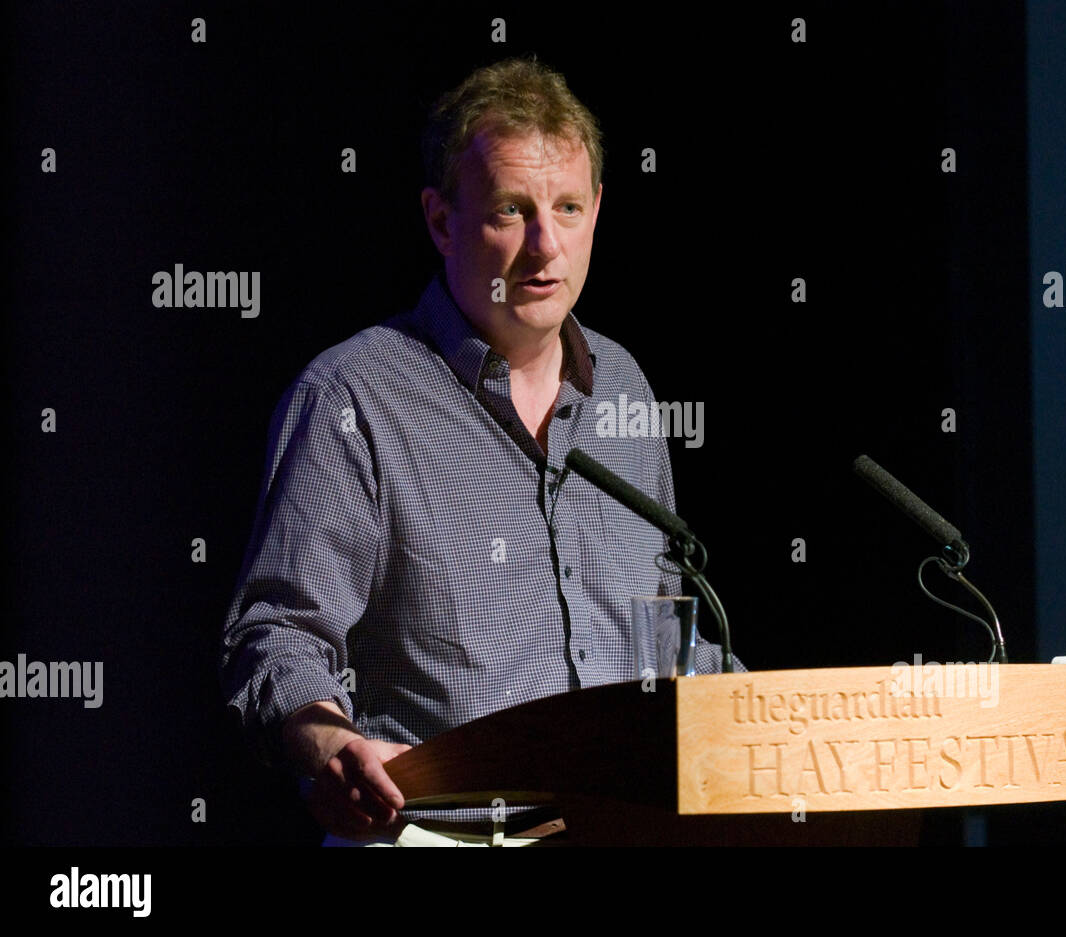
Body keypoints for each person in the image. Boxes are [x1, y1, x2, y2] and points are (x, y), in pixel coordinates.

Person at [219, 56, 741, 847]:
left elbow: (666, 637)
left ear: (598, 210)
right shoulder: (354, 396)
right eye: (509, 210)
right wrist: (326, 742)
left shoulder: (625, 390)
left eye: (567, 208)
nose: (545, 246)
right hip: (438, 837)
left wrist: (776, 718)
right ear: (440, 219)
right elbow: (279, 632)